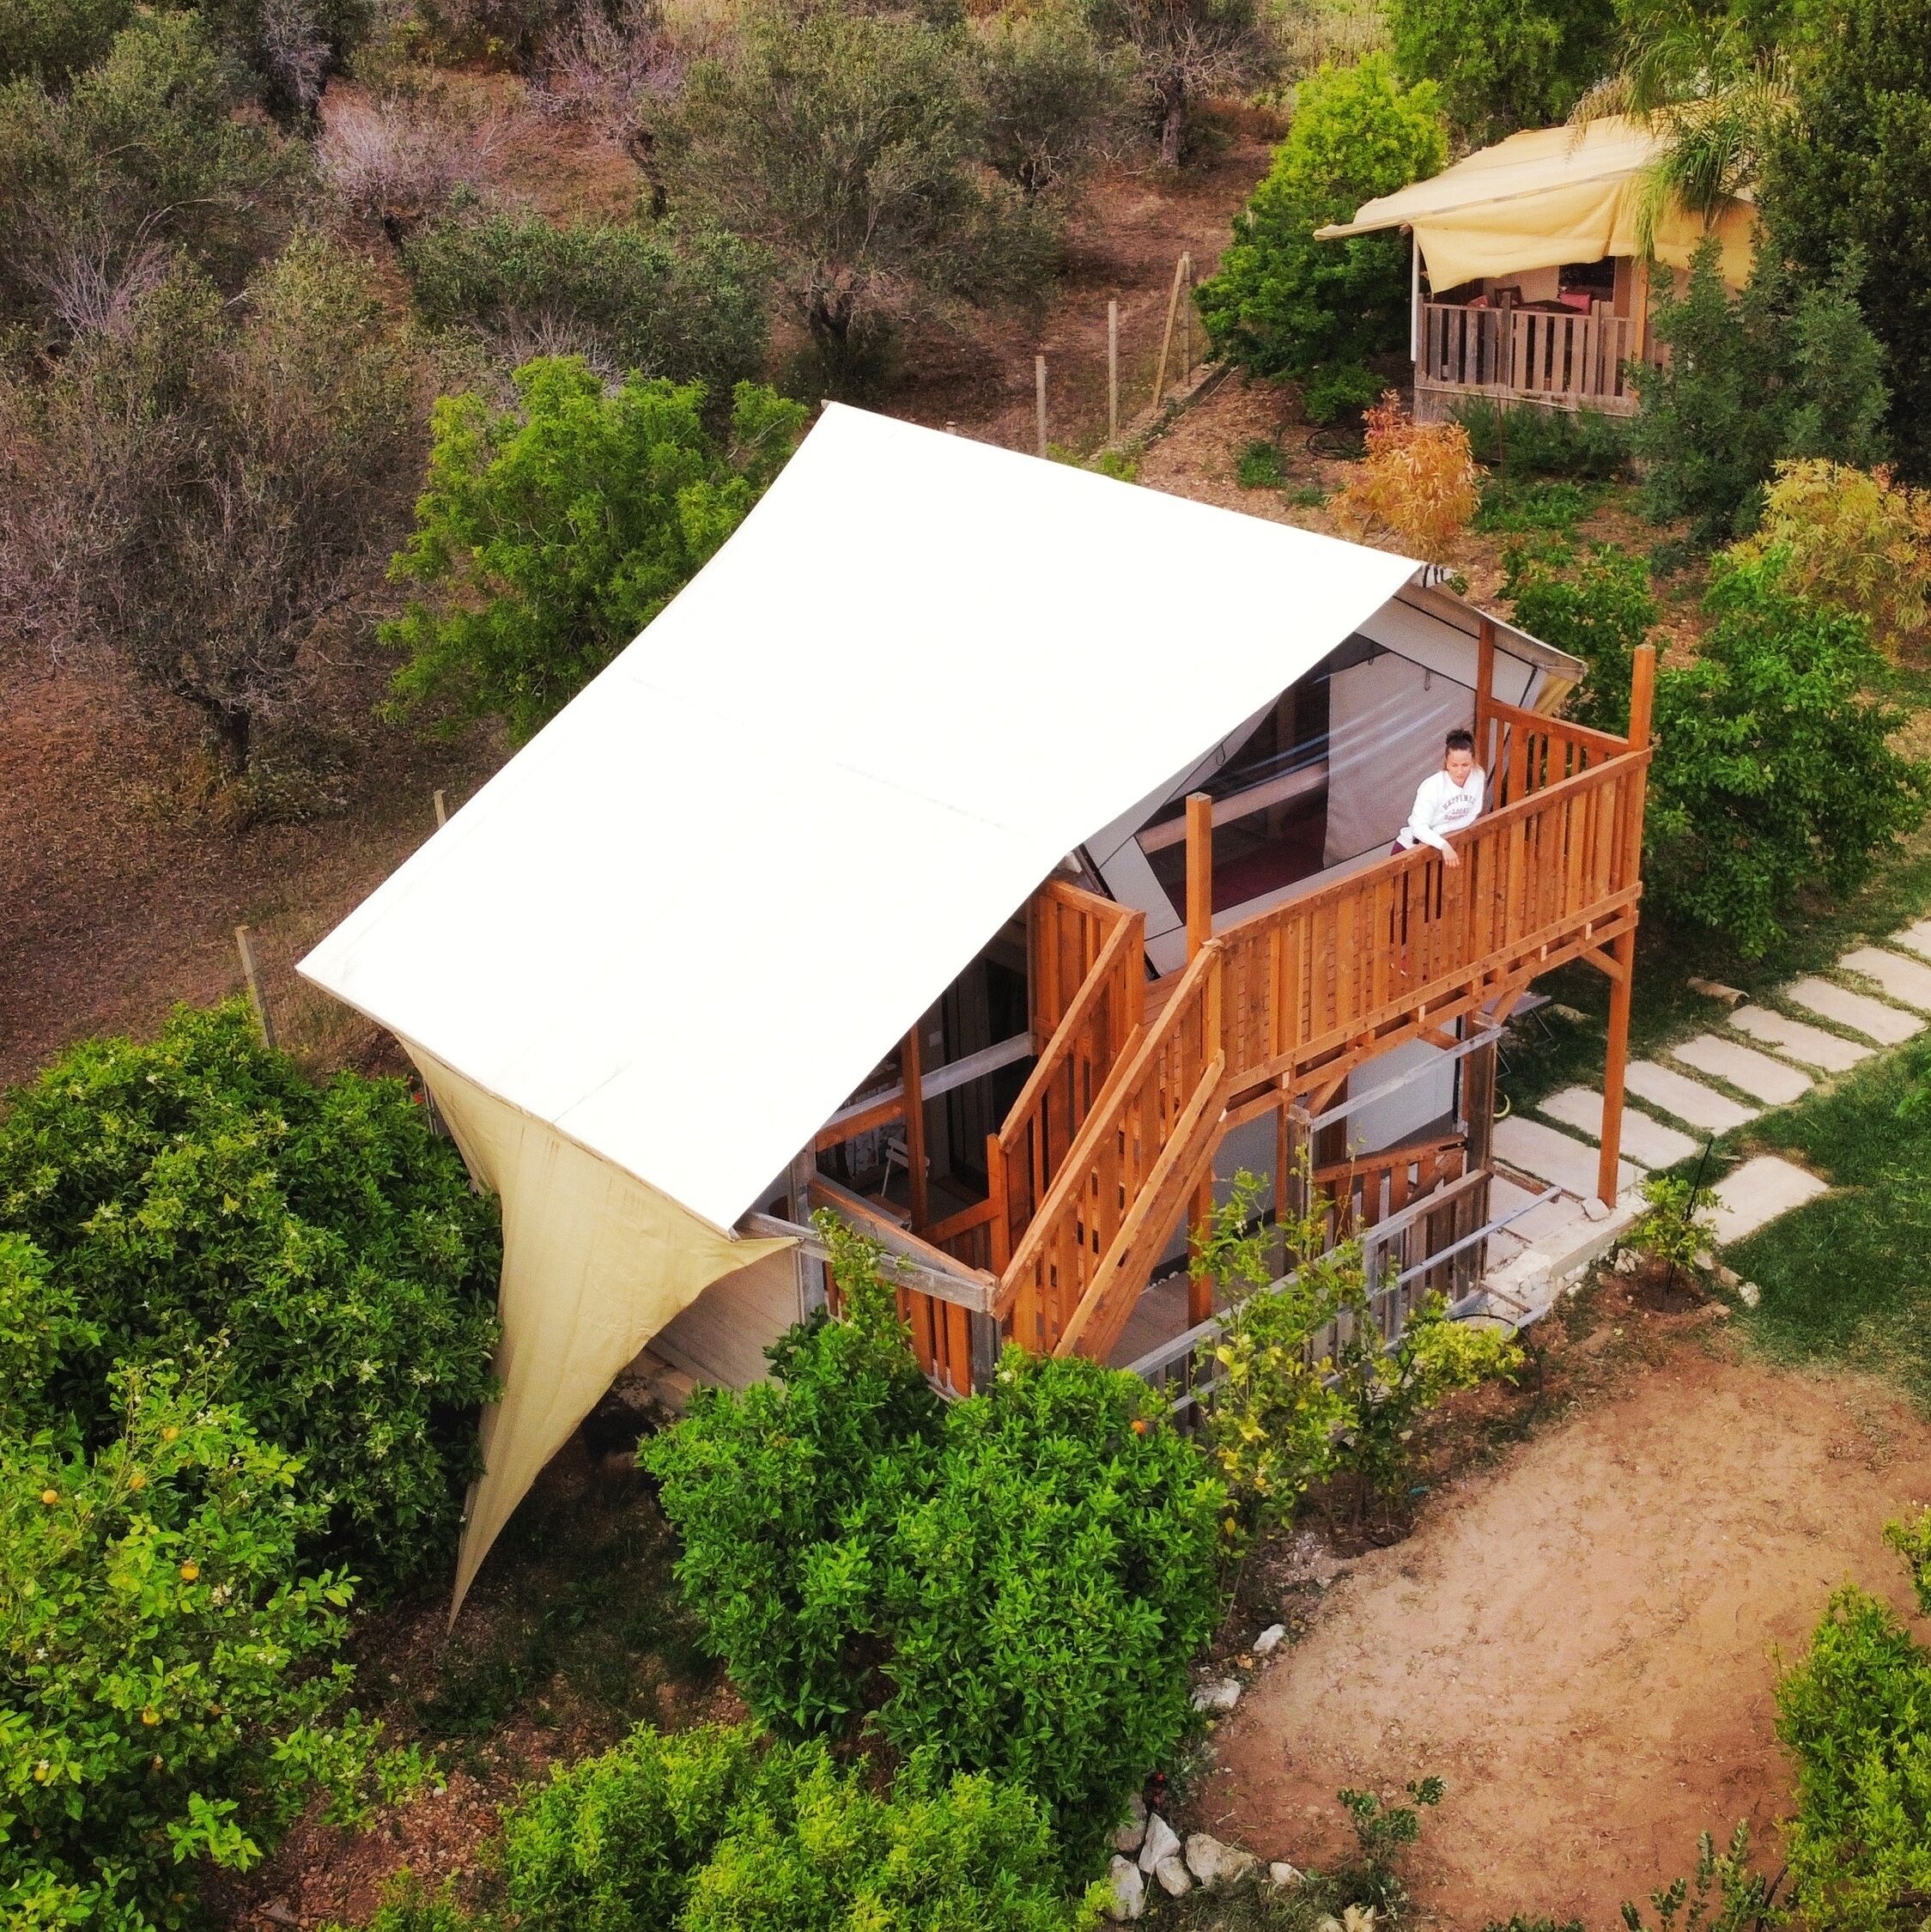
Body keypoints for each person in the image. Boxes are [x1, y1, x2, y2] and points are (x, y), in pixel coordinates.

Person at [1393, 728, 1484, 868]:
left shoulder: (1478, 777)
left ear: (1473, 761)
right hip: (1411, 848)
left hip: (1438, 849)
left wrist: (1440, 831)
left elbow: (1471, 815)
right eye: (1454, 765)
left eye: (1465, 765)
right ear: (1447, 763)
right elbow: (1418, 827)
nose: (1460, 771)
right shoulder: (1433, 786)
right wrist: (1444, 845)